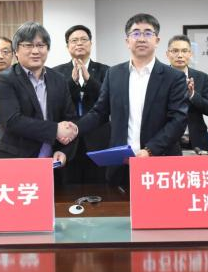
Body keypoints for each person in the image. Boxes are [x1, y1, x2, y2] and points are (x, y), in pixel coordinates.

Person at [76, 13, 188, 186]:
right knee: (120, 204)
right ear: (127, 41)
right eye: (136, 33)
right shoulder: (114, 74)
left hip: (160, 162)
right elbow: (99, 112)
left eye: (148, 33)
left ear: (157, 40)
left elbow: (178, 120)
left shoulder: (174, 77)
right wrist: (75, 128)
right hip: (121, 164)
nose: (141, 38)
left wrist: (150, 150)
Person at [0, 22, 77, 169]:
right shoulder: (3, 80)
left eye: (41, 45)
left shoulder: (59, 79)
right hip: (15, 161)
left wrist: (63, 151)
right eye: (28, 45)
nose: (35, 51)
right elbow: (12, 121)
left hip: (52, 162)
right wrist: (55, 130)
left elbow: (69, 119)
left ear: (47, 49)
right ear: (16, 51)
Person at [53, 25, 110, 184]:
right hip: (66, 143)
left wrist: (90, 80)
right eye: (74, 40)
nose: (79, 43)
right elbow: (55, 103)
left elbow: (109, 101)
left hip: (98, 140)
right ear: (67, 46)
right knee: (68, 189)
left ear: (91, 44)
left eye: (84, 39)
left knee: (100, 188)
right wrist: (71, 82)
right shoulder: (55, 73)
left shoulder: (107, 71)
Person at [165, 34, 208, 151]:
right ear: (167, 54)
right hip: (167, 140)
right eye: (175, 51)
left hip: (197, 140)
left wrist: (192, 95)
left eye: (184, 51)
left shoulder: (201, 77)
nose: (180, 55)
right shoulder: (159, 77)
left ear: (190, 54)